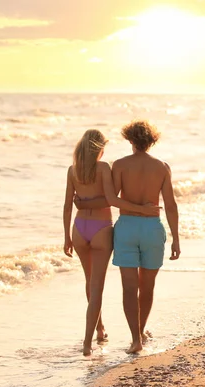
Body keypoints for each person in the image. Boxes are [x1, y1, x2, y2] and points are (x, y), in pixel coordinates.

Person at [75, 120, 180, 354]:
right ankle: (142, 330)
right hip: (152, 228)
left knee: (129, 287)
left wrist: (84, 203)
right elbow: (170, 206)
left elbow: (111, 198)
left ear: (130, 140)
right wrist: (176, 239)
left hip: (126, 229)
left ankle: (135, 340)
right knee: (148, 286)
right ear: (152, 141)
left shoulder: (119, 166)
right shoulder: (162, 167)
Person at [63, 129, 161, 356]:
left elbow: (68, 205)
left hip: (78, 230)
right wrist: (142, 209)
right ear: (99, 148)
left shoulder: (72, 171)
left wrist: (66, 236)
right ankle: (87, 344)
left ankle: (99, 329)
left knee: (89, 282)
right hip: (101, 230)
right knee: (97, 287)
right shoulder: (104, 168)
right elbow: (112, 200)